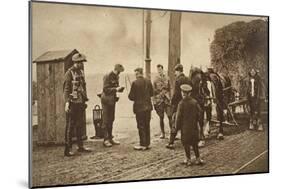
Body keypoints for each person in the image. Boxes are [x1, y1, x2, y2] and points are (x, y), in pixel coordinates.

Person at [63, 53, 92, 157]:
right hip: (72, 103)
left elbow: (83, 86)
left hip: (80, 102)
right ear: (75, 62)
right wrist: (67, 103)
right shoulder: (69, 73)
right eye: (79, 62)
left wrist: (85, 99)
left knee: (80, 125)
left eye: (82, 62)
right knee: (70, 126)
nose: (81, 64)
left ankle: (80, 146)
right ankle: (68, 149)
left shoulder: (81, 72)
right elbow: (66, 89)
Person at [175, 84, 204, 166]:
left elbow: (178, 117)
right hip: (194, 127)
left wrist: (177, 128)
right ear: (190, 93)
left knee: (186, 144)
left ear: (182, 93)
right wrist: (198, 121)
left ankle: (188, 160)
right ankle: (198, 158)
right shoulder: (194, 102)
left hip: (185, 128)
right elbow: (200, 113)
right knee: (195, 143)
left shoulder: (181, 103)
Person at [166, 64, 192, 149]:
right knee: (187, 123)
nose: (175, 73)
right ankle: (190, 142)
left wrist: (172, 102)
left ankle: (171, 143)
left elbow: (176, 94)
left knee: (175, 122)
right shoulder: (188, 79)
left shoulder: (178, 80)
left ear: (179, 71)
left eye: (175, 71)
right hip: (188, 104)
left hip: (178, 105)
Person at [128, 68, 154, 150]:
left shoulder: (134, 83)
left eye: (135, 74)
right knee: (147, 125)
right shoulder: (148, 81)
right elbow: (152, 93)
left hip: (139, 108)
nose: (135, 75)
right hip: (148, 107)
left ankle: (142, 144)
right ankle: (147, 143)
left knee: (141, 126)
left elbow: (131, 97)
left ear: (137, 73)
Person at [101, 64, 125, 147]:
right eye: (118, 72)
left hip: (112, 100)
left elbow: (115, 87)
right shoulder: (107, 76)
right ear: (115, 70)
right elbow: (105, 89)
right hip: (106, 100)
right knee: (105, 119)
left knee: (111, 119)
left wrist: (119, 89)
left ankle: (110, 138)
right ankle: (106, 139)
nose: (119, 74)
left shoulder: (116, 77)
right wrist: (116, 89)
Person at [152, 64, 173, 139]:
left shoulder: (167, 78)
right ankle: (163, 133)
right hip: (159, 100)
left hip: (166, 99)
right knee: (161, 117)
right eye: (158, 70)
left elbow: (170, 88)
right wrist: (154, 100)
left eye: (160, 69)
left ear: (162, 69)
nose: (159, 71)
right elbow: (153, 91)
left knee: (170, 116)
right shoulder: (155, 79)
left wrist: (170, 97)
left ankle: (172, 132)